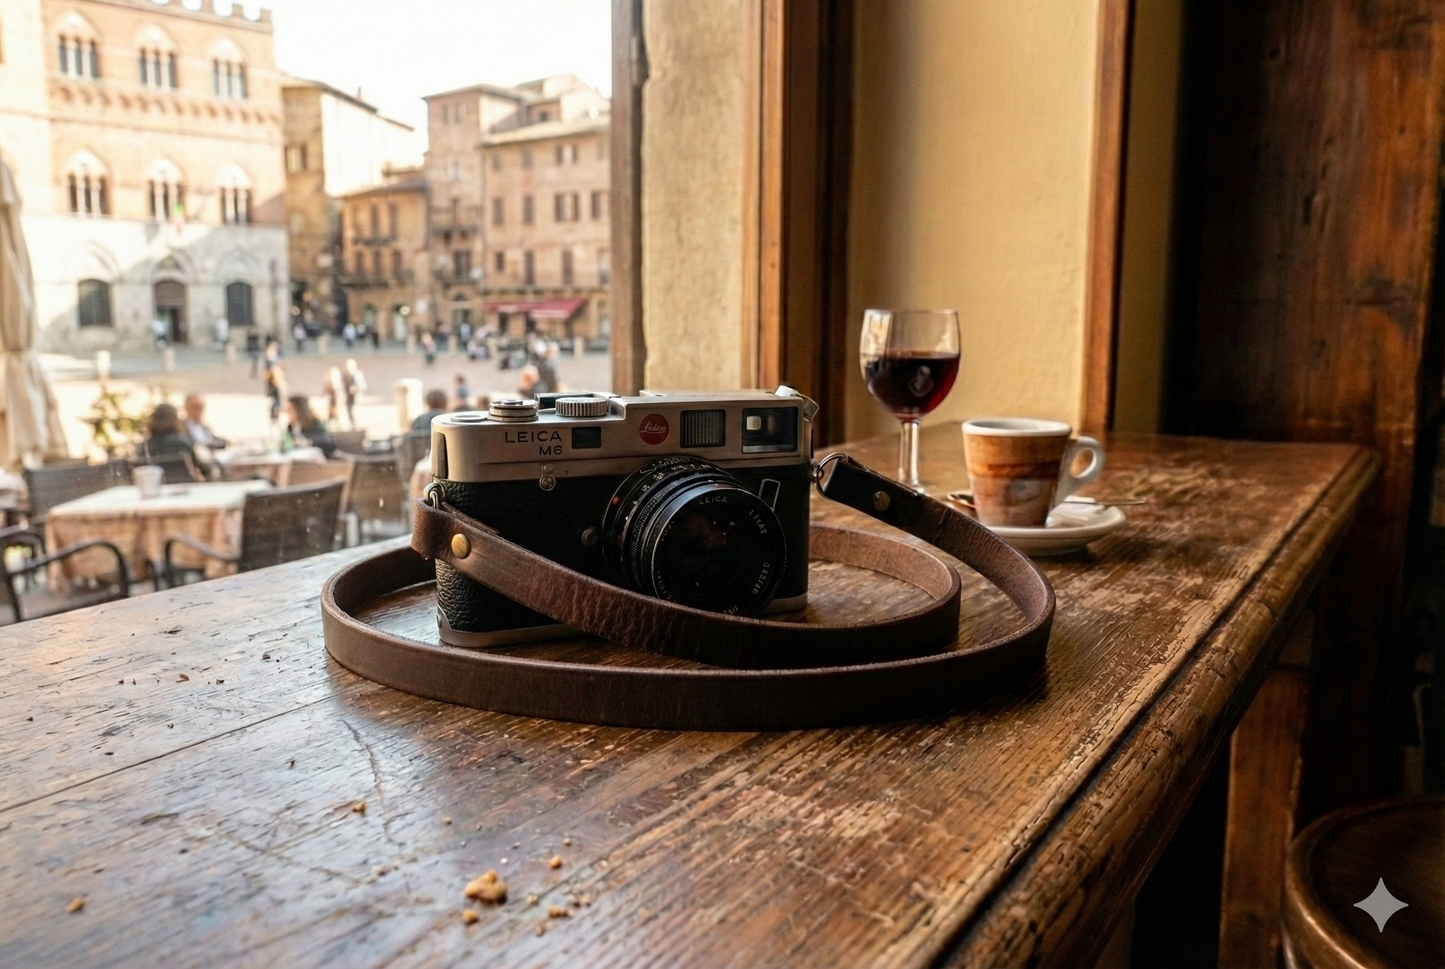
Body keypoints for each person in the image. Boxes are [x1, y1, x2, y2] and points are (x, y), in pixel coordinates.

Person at [142, 402, 204, 475]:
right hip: (184, 483)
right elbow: (200, 466)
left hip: (157, 483)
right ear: (175, 420)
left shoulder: (145, 446)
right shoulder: (184, 443)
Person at [342, 358, 366, 428]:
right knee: (349, 412)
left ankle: (357, 426)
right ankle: (353, 425)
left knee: (355, 412)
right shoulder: (345, 375)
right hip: (348, 397)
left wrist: (355, 389)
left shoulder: (357, 375)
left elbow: (362, 386)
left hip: (356, 397)